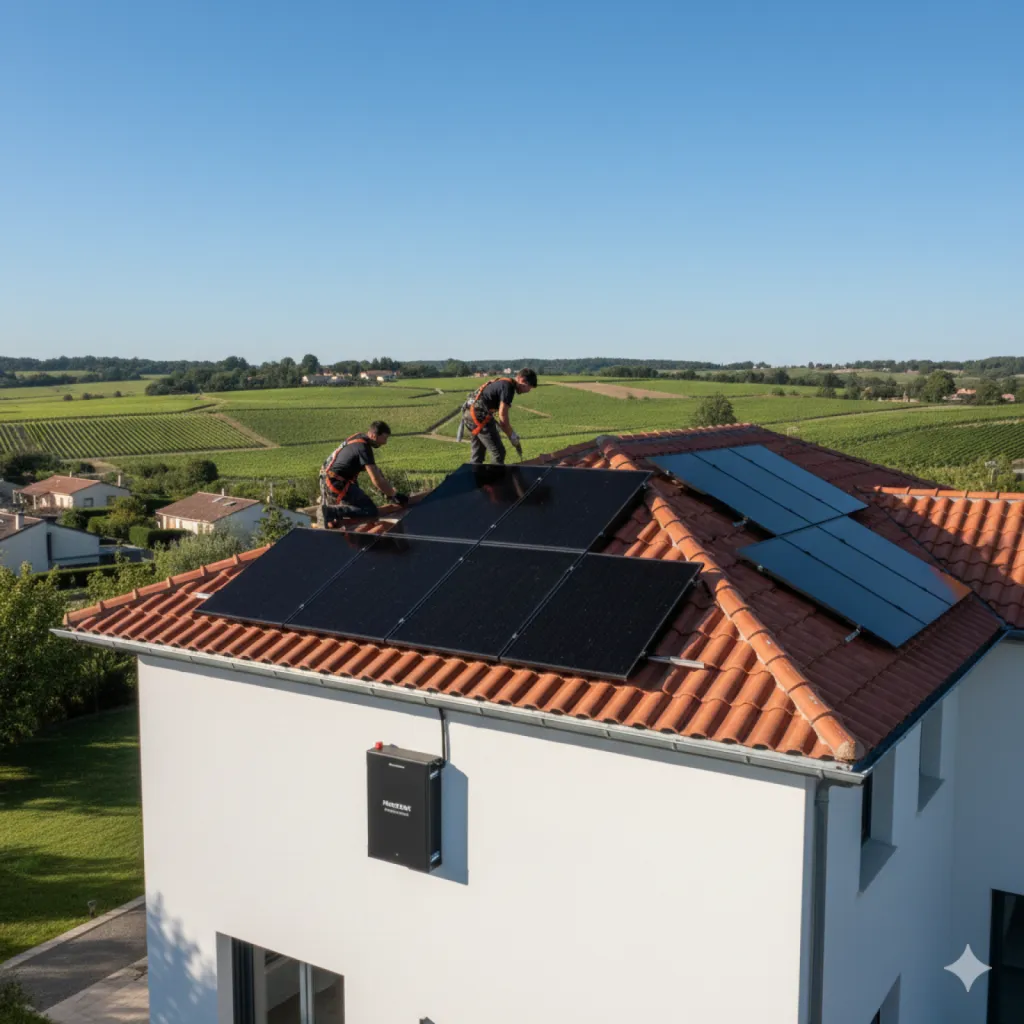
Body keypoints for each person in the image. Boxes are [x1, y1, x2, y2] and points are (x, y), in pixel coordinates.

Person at [318, 421, 408, 527]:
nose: (385, 442)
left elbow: (376, 471)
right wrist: (394, 495)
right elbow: (376, 480)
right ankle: (330, 512)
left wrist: (389, 492)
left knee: (357, 505)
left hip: (329, 478)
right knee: (370, 511)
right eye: (384, 438)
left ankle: (333, 514)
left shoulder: (358, 438)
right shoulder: (363, 448)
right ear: (374, 435)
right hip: (335, 482)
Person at [460, 367, 538, 464]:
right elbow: (503, 417)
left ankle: (475, 476)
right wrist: (512, 437)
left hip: (470, 414)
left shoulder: (503, 382)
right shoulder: (508, 388)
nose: (528, 391)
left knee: (478, 454)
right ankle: (495, 478)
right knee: (499, 453)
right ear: (521, 380)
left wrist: (510, 432)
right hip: (479, 416)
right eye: (528, 387)